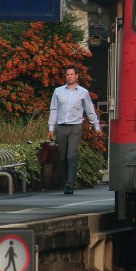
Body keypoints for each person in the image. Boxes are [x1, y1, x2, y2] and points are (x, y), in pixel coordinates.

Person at [48, 65, 102, 195]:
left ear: (76, 76)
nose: (70, 77)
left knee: (71, 155)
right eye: (67, 75)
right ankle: (65, 179)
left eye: (72, 74)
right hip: (61, 126)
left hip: (75, 127)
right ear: (65, 76)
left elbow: (89, 110)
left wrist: (96, 126)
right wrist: (51, 128)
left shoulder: (83, 92)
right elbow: (53, 109)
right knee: (62, 156)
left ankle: (69, 184)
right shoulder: (58, 91)